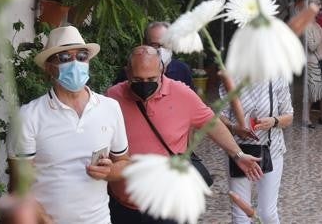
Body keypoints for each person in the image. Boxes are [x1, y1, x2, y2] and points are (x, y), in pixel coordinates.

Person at [107, 46, 263, 223]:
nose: (145, 84)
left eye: (151, 79)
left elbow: (212, 124)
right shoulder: (113, 97)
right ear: (127, 73)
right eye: (137, 79)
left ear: (162, 70)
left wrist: (238, 154)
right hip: (124, 206)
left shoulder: (182, 94)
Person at [16, 26, 130, 224]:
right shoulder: (29, 115)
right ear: (49, 67)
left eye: (82, 55)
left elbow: (124, 162)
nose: (75, 63)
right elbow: (20, 186)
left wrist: (110, 171)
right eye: (64, 58)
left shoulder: (110, 108)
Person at [219, 79, 294, 223]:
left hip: (271, 151)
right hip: (238, 152)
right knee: (240, 214)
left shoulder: (278, 77)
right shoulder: (231, 77)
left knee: (267, 213)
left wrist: (274, 121)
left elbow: (289, 115)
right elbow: (219, 116)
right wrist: (234, 128)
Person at [302, 0, 322, 126]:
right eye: (319, 7)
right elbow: (312, 46)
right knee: (311, 91)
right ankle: (306, 118)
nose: (321, 10)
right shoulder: (307, 25)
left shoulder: (316, 24)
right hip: (313, 63)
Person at [145, 21, 194, 86]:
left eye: (165, 44)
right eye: (155, 45)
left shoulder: (182, 70)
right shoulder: (136, 70)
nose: (161, 50)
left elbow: (190, 95)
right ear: (145, 44)